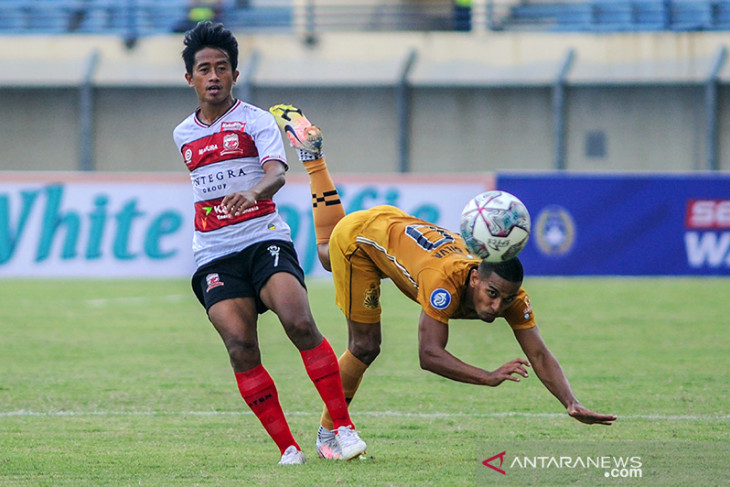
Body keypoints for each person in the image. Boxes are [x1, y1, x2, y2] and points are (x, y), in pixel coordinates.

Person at [268, 104, 617, 459]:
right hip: (362, 240)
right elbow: (429, 355)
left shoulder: (508, 292)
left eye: (505, 300)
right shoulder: (443, 284)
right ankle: (330, 433)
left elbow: (539, 353)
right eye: (492, 295)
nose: (497, 308)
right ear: (476, 279)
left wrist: (571, 403)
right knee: (365, 344)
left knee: (328, 253)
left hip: (392, 225)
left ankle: (312, 158)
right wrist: (487, 376)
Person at [172, 22, 366, 465]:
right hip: (214, 252)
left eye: (223, 67)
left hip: (263, 238)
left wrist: (254, 192)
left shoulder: (256, 120)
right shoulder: (183, 134)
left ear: (235, 74)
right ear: (191, 79)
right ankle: (288, 449)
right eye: (205, 69)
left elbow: (278, 172)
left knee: (298, 321)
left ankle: (343, 428)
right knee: (240, 347)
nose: (215, 76)